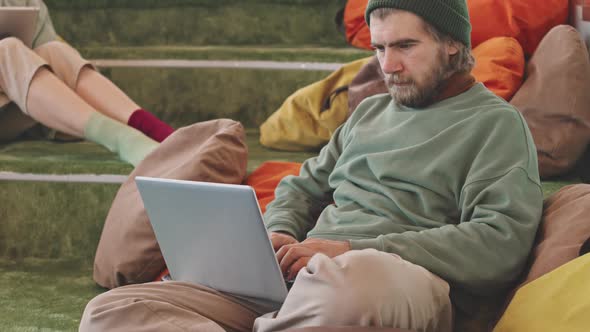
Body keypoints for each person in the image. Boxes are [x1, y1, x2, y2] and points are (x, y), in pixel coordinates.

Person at [80, 0, 544, 331]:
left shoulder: (496, 126)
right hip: (305, 282)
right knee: (111, 313)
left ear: (451, 45)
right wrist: (278, 232)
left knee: (347, 286)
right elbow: (302, 188)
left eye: (405, 46)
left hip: (388, 280)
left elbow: (498, 242)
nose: (389, 65)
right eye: (380, 48)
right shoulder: (368, 113)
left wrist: (346, 248)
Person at [0, 0, 174, 166]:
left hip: (17, 108)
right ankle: (121, 138)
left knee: (54, 50)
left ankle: (159, 133)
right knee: (6, 49)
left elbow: (52, 65)